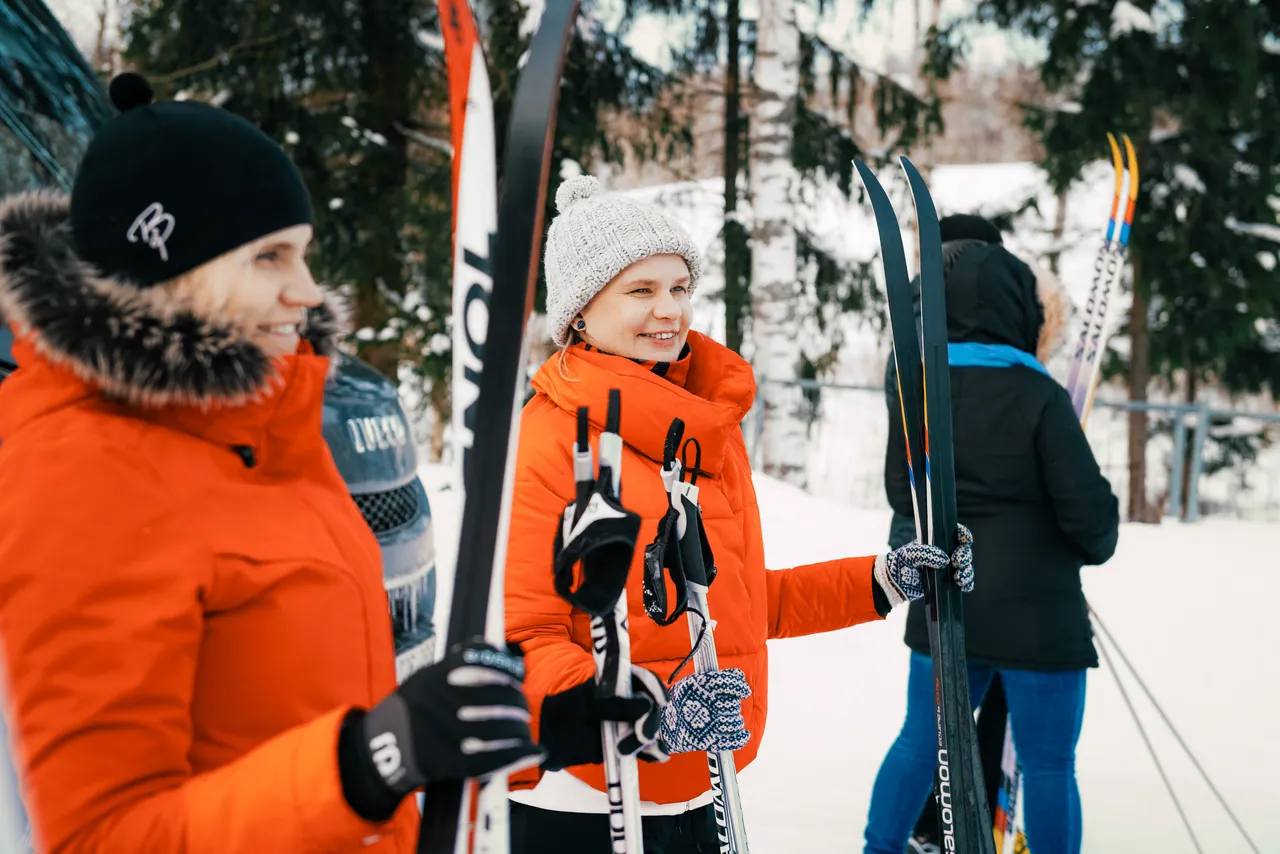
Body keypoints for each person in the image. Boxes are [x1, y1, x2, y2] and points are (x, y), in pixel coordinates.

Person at [0, 73, 542, 854]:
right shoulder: (77, 477)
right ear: (168, 270)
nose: (307, 291)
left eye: (304, 254)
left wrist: (530, 723)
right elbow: (100, 835)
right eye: (269, 258)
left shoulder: (272, 438)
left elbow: (311, 712)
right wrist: (368, 762)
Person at [499, 174, 976, 854]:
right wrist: (651, 717)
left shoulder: (701, 433)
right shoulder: (549, 440)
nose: (669, 310)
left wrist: (885, 579)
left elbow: (743, 606)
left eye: (678, 288)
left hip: (705, 793)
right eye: (641, 291)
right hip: (586, 804)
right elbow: (529, 640)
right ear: (579, 312)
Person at [864, 215, 1120, 854]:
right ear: (1019, 306)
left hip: (948, 603)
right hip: (1041, 616)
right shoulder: (1040, 395)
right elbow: (1093, 524)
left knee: (919, 745)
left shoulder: (916, 389)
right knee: (1050, 765)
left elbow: (905, 496)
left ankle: (878, 850)